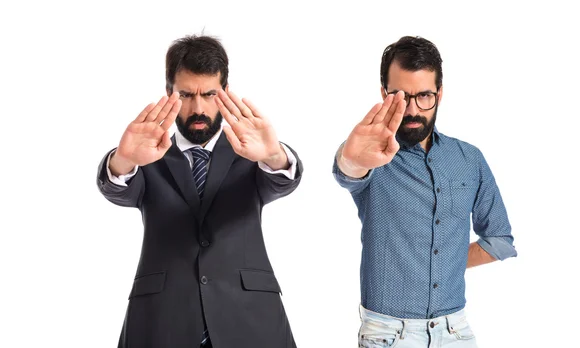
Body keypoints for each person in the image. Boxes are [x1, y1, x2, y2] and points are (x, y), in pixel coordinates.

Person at [96, 34, 302, 348]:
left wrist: (273, 155)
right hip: (162, 321)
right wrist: (123, 160)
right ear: (169, 92)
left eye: (209, 94)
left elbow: (281, 181)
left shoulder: (250, 151)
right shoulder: (147, 152)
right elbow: (119, 190)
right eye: (186, 95)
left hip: (249, 319)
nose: (198, 108)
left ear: (225, 92)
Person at [332, 36, 517, 347]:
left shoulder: (469, 159)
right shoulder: (371, 155)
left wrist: (439, 261)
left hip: (456, 330)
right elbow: (348, 172)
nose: (413, 109)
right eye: (402, 96)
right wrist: (350, 159)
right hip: (388, 334)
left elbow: (499, 240)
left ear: (440, 94)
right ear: (384, 94)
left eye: (425, 96)